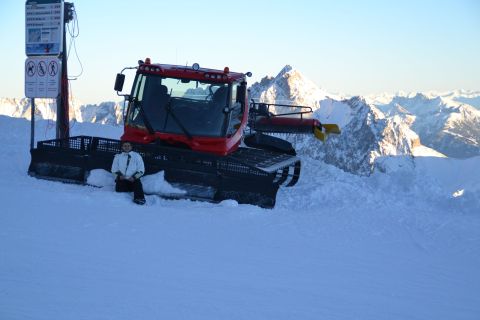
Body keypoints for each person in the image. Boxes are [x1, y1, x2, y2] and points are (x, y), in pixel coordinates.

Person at [111, 141, 146, 205]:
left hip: (133, 180)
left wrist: (134, 177)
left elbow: (141, 170)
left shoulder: (137, 156)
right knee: (118, 190)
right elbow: (114, 170)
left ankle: (139, 198)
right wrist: (119, 176)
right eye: (125, 146)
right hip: (122, 179)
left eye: (128, 146)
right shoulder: (117, 157)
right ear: (122, 147)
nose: (126, 147)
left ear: (131, 147)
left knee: (138, 182)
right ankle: (128, 189)